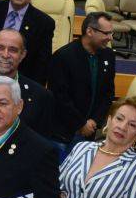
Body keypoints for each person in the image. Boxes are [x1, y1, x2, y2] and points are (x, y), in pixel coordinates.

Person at [47, 12, 117, 145]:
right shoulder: (63, 57)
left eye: (111, 33)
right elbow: (59, 97)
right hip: (62, 133)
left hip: (90, 131)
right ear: (90, 31)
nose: (110, 38)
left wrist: (94, 121)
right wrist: (81, 123)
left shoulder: (108, 55)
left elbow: (108, 93)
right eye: (106, 33)